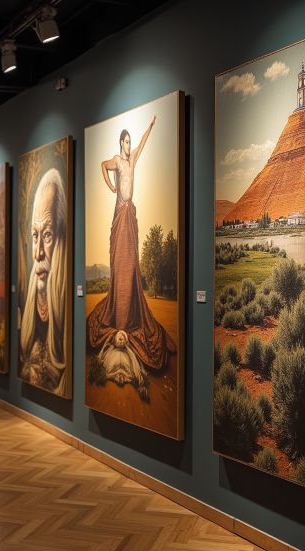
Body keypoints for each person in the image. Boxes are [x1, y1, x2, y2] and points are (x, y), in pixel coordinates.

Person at [87, 116, 176, 377]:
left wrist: (150, 127)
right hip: (119, 212)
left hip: (130, 214)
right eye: (125, 142)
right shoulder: (117, 160)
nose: (128, 145)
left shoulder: (133, 158)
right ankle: (118, 315)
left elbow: (143, 143)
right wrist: (110, 184)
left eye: (129, 142)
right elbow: (102, 166)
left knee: (130, 266)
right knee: (118, 263)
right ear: (120, 143)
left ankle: (129, 315)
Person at [19, 168, 67, 395]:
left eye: (47, 235)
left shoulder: (65, 300)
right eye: (35, 236)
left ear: (61, 238)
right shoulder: (32, 292)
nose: (38, 253)